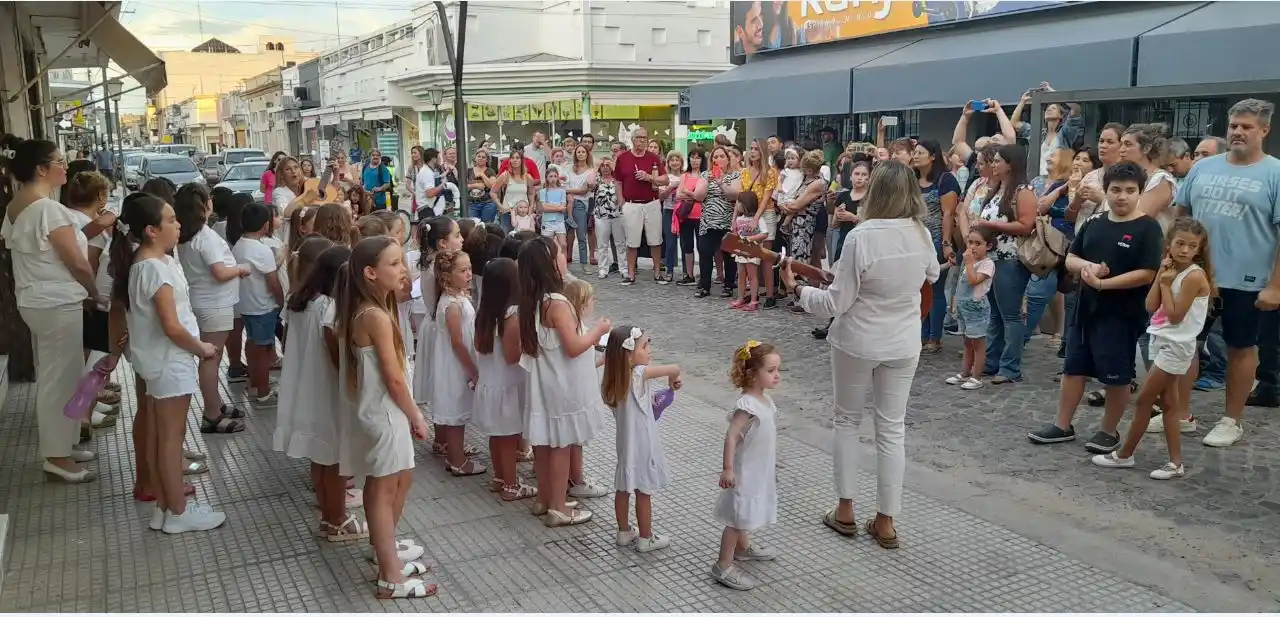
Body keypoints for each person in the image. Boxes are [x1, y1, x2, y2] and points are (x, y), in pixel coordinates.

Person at [783, 160, 939, 553]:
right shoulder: (921, 233)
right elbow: (933, 275)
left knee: (847, 422)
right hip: (903, 341)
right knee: (891, 429)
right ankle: (886, 520)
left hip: (857, 340)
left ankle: (846, 509)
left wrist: (798, 291)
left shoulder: (863, 235)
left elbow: (836, 302)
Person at [1028, 162, 1163, 450]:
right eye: (1115, 190)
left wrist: (1104, 284)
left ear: (1140, 192)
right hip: (1085, 310)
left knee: (1117, 376)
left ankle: (1109, 431)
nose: (1122, 196)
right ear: (1106, 191)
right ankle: (1062, 425)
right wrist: (1089, 269)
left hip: (1121, 314)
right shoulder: (1094, 223)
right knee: (1073, 369)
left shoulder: (1147, 228)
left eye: (1129, 190)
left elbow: (1147, 273)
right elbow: (1071, 259)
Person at [112, 192, 224, 532]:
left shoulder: (148, 263)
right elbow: (171, 326)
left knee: (161, 435)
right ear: (150, 230)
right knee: (170, 438)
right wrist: (201, 347)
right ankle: (178, 510)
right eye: (171, 220)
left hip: (158, 362)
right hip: (169, 362)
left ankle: (164, 506)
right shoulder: (153, 269)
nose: (178, 226)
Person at [1175, 99, 1280, 447]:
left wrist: (1275, 286)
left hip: (1247, 279)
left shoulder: (1275, 173)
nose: (1237, 131)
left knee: (1240, 347)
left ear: (1264, 130)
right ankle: (1181, 414)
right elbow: (1182, 215)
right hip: (1196, 276)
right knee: (1184, 343)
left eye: (1246, 126)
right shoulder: (1203, 168)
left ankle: (1231, 420)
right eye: (1234, 125)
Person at [333, 236, 432, 598]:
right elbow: (392, 376)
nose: (403, 269)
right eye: (394, 264)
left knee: (397, 480)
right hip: (386, 413)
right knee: (383, 487)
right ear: (370, 273)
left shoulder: (374, 307)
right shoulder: (373, 315)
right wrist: (416, 415)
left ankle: (385, 550)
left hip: (382, 411)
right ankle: (390, 574)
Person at [1, 139, 100, 482]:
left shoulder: (16, 205)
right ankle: (56, 457)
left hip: (37, 300)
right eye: (59, 161)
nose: (66, 166)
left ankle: (66, 444)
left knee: (61, 375)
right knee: (59, 380)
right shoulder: (48, 210)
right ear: (42, 169)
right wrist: (94, 292)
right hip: (56, 302)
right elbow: (76, 261)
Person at [1092, 218, 1212, 479]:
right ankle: (1175, 463)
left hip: (1177, 346)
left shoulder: (1194, 276)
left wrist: (1167, 284)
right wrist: (1162, 274)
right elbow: (1150, 305)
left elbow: (1176, 314)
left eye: (1191, 246)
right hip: (1162, 340)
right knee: (1169, 406)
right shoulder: (1169, 270)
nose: (1184, 250)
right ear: (1169, 244)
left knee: (1145, 400)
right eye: (1179, 243)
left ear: (1198, 249)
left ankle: (1125, 454)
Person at [517, 237, 612, 526]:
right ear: (550, 263)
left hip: (545, 382)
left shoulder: (532, 299)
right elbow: (573, 346)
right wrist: (598, 331)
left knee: (545, 445)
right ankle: (558, 507)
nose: (564, 256)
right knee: (560, 445)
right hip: (562, 386)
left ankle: (545, 498)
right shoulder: (557, 303)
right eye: (560, 253)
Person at [174, 183, 249, 434]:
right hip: (214, 304)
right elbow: (219, 272)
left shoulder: (186, 234)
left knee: (211, 358)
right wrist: (240, 269)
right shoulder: (204, 237)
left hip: (202, 300)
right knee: (211, 359)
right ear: (206, 205)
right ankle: (212, 414)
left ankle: (216, 404)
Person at [601, 325, 681, 553]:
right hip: (644, 442)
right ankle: (646, 537)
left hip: (625, 443)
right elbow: (674, 368)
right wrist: (673, 381)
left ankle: (624, 531)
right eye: (644, 346)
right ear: (628, 353)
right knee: (643, 491)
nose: (649, 351)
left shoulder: (611, 380)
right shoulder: (638, 374)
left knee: (623, 486)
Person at [711, 340, 781, 591]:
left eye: (777, 370)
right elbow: (731, 437)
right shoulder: (747, 406)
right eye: (771, 371)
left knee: (743, 513)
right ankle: (723, 564)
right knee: (736, 518)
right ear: (752, 374)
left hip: (757, 469)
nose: (777, 375)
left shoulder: (764, 400)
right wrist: (728, 468)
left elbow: (763, 436)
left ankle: (742, 549)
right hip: (743, 472)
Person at [472, 257, 536, 500]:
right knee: (509, 437)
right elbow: (512, 356)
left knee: (497, 436)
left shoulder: (485, 312)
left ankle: (499, 477)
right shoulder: (512, 315)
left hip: (492, 382)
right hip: (508, 385)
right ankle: (511, 484)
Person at [428, 249, 485, 476]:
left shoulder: (458, 298)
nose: (469, 274)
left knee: (458, 411)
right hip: (455, 364)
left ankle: (456, 455)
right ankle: (457, 461)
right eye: (463, 270)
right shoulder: (452, 304)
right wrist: (472, 369)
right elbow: (457, 342)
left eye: (470, 269)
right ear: (447, 276)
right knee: (455, 413)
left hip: (457, 361)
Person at [232, 202, 283, 403]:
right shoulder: (261, 250)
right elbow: (273, 282)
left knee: (253, 343)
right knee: (262, 349)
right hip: (262, 306)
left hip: (246, 304)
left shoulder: (239, 245)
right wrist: (281, 302)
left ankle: (254, 384)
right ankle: (263, 393)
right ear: (265, 226)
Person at [946, 228, 997, 390]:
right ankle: (965, 371)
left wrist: (968, 263)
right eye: (970, 243)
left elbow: (974, 281)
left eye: (978, 243)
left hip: (977, 309)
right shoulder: (970, 262)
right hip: (964, 307)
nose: (973, 247)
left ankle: (977, 376)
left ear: (988, 246)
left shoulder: (987, 264)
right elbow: (960, 286)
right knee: (967, 342)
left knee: (978, 343)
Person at [614, 126, 666, 285]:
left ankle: (657, 272)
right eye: (638, 138)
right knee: (632, 240)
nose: (641, 141)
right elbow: (617, 181)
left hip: (651, 202)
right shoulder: (623, 158)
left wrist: (649, 177)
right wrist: (621, 201)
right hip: (631, 204)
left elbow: (665, 180)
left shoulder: (653, 158)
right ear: (632, 140)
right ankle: (630, 273)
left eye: (644, 138)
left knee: (655, 239)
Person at [729, 192, 769, 312]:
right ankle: (740, 298)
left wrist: (750, 239)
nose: (737, 205)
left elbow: (765, 234)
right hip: (740, 251)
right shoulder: (739, 219)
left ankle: (753, 300)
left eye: (739, 202)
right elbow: (735, 234)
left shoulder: (758, 220)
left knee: (752, 276)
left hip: (753, 251)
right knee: (741, 275)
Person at [593, 157, 628, 280]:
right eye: (603, 165)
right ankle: (603, 269)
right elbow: (589, 185)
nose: (606, 168)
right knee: (602, 244)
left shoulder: (618, 180)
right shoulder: (597, 180)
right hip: (601, 216)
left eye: (608, 165)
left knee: (620, 243)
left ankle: (624, 269)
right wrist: (595, 167)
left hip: (618, 215)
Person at [495, 150, 534, 231]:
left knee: (523, 239)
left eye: (517, 158)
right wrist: (500, 206)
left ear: (521, 160)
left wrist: (531, 207)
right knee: (507, 238)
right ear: (510, 160)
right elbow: (493, 192)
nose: (515, 160)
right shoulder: (505, 175)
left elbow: (531, 193)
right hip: (507, 213)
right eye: (512, 158)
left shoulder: (527, 177)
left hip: (523, 214)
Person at [537, 167, 570, 254]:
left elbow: (563, 208)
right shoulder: (543, 191)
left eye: (555, 176)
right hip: (547, 221)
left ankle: (563, 265)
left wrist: (550, 207)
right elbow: (544, 207)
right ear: (547, 178)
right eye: (550, 176)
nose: (553, 179)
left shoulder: (562, 191)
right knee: (547, 245)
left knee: (563, 244)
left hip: (559, 221)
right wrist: (558, 207)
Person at [414, 148, 446, 218]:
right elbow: (429, 193)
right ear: (433, 159)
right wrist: (443, 185)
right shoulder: (426, 172)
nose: (440, 159)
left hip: (429, 209)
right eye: (439, 157)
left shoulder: (429, 171)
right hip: (426, 210)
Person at [467, 149, 498, 222]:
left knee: (487, 227)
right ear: (475, 158)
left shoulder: (491, 171)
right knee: (473, 227)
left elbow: (492, 186)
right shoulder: (468, 171)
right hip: (471, 204)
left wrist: (482, 175)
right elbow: (463, 186)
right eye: (479, 156)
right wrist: (475, 185)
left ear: (487, 160)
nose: (481, 158)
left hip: (488, 203)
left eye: (483, 157)